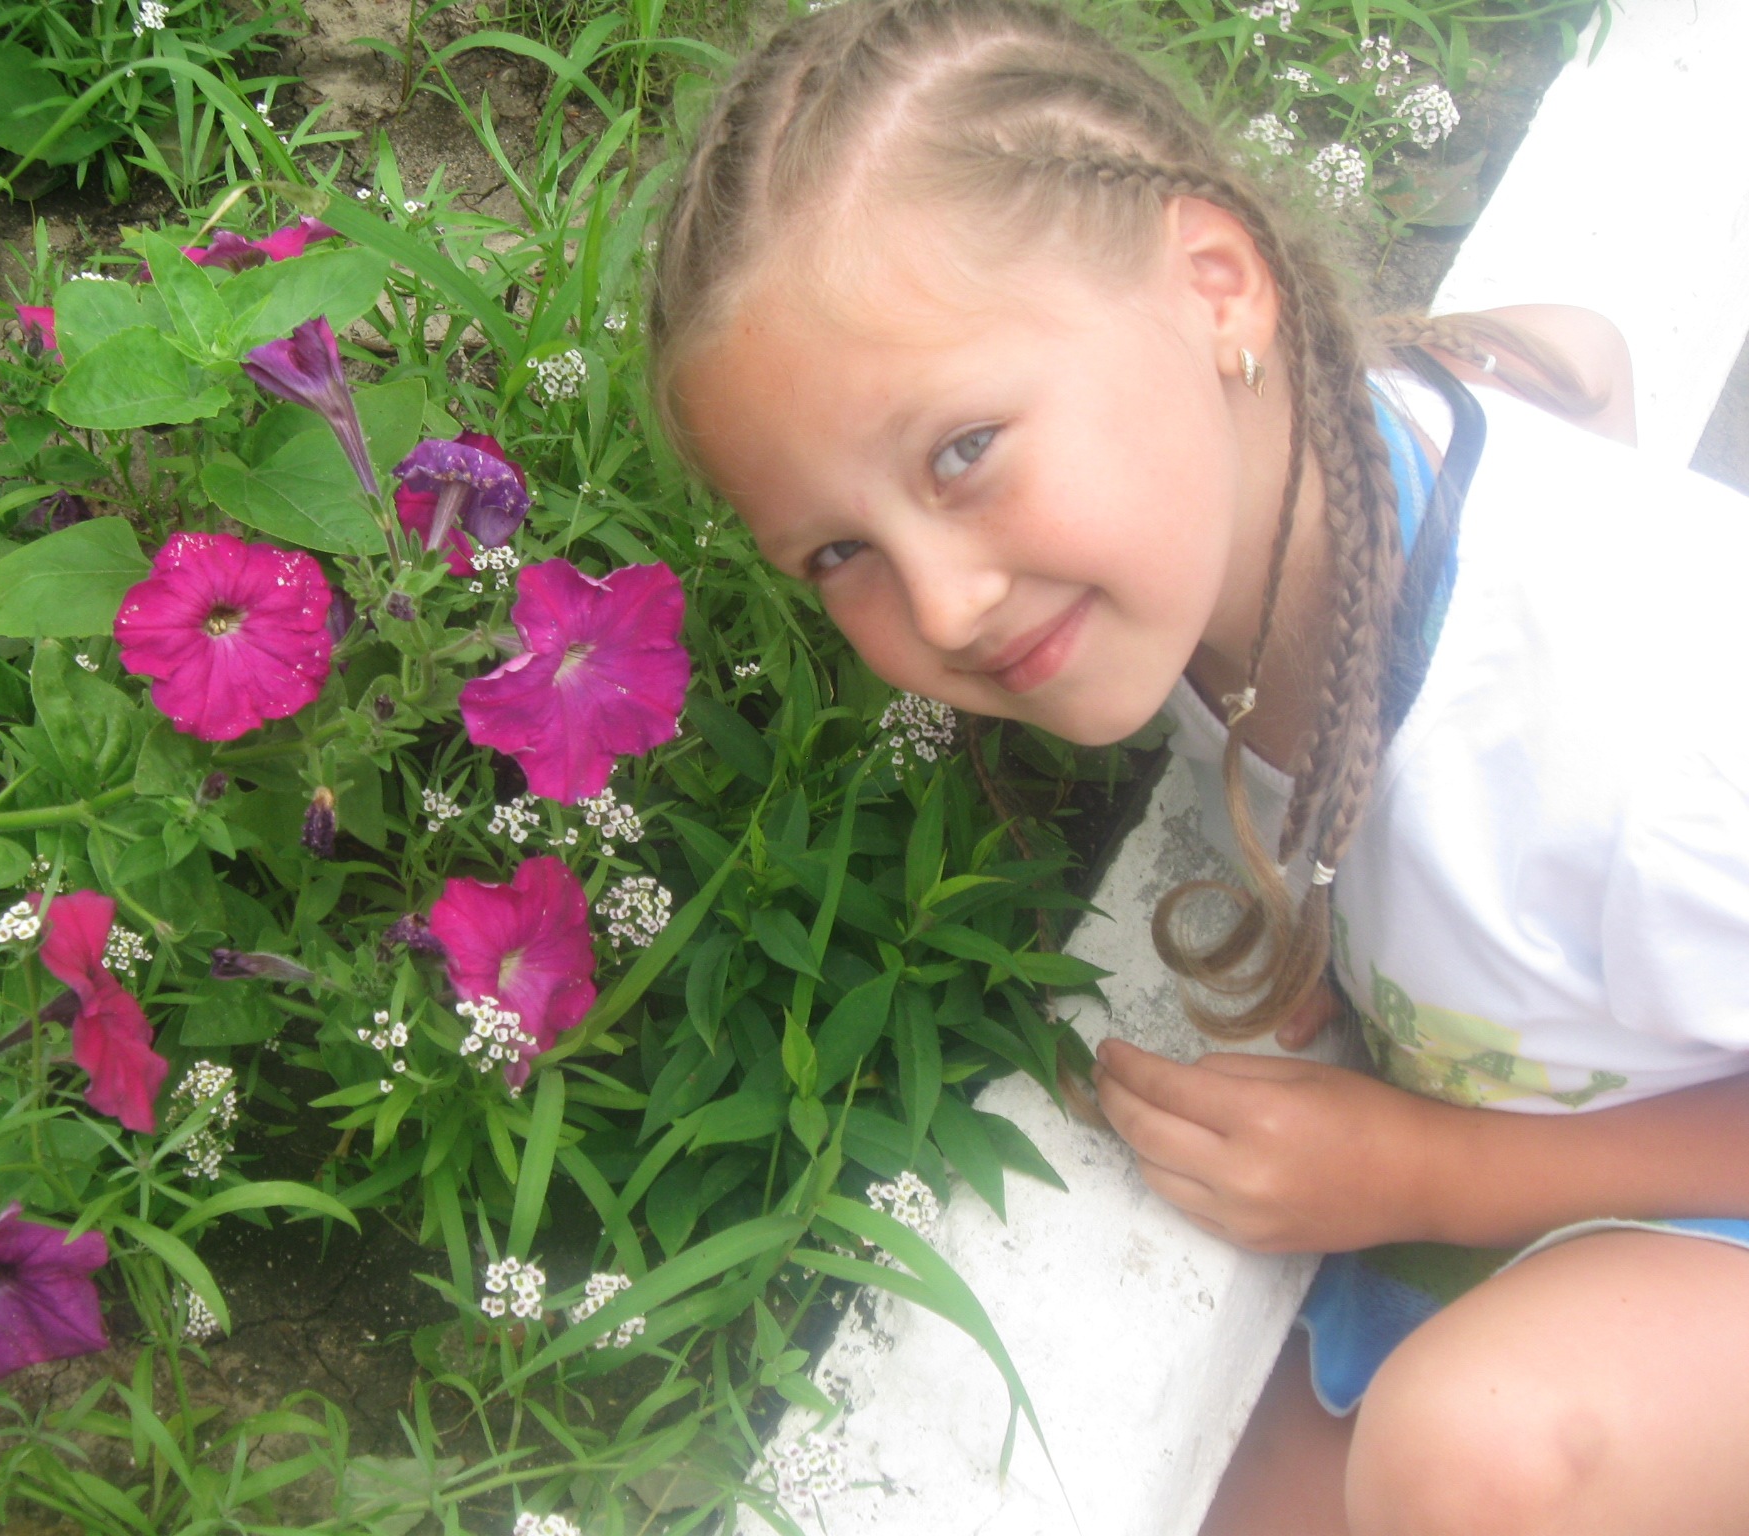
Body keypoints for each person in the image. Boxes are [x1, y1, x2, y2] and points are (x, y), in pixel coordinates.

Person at [643, 0, 1749, 1530]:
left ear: (1217, 287)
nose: (943, 608)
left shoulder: (1645, 749)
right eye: (840, 551)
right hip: (1591, 1177)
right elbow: (1582, 346)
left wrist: (1428, 1171)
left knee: (1470, 1464)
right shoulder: (1251, 500)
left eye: (963, 451)